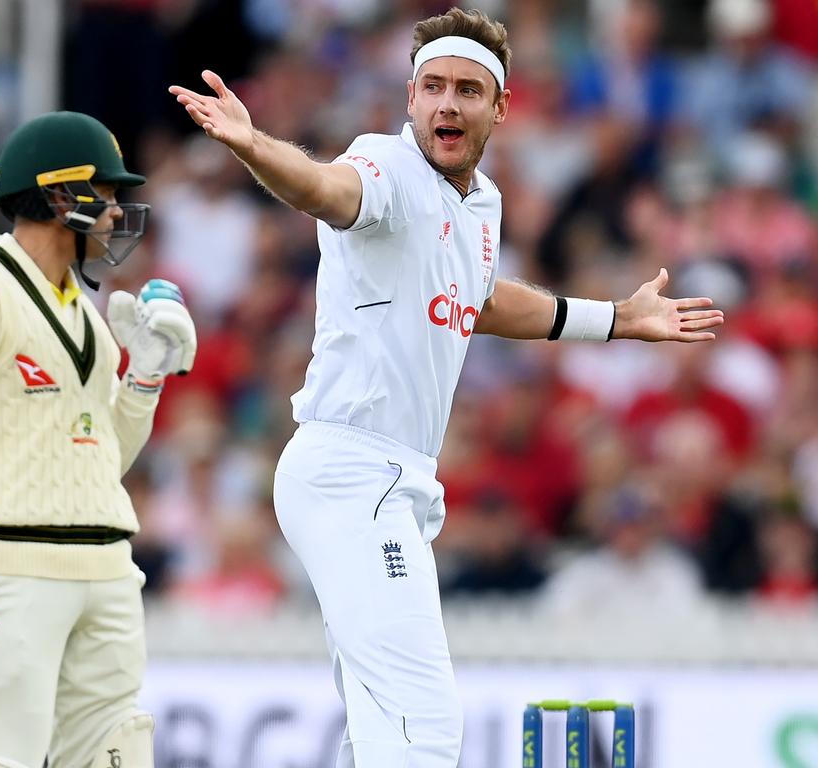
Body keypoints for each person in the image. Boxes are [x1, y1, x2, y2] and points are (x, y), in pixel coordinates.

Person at [170, 7, 723, 767]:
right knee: (424, 730)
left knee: (378, 730)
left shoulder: (481, 203)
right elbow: (324, 191)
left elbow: (484, 300)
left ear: (500, 107)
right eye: (431, 87)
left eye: (466, 89)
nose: (445, 104)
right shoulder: (386, 167)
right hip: (351, 469)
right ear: (409, 98)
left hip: (387, 480)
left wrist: (617, 318)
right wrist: (254, 144)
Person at [0, 111, 196, 768]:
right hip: (9, 569)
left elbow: (105, 457)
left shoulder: (85, 311)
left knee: (118, 752)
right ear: (60, 197)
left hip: (107, 568)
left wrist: (145, 377)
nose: (116, 215)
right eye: (104, 196)